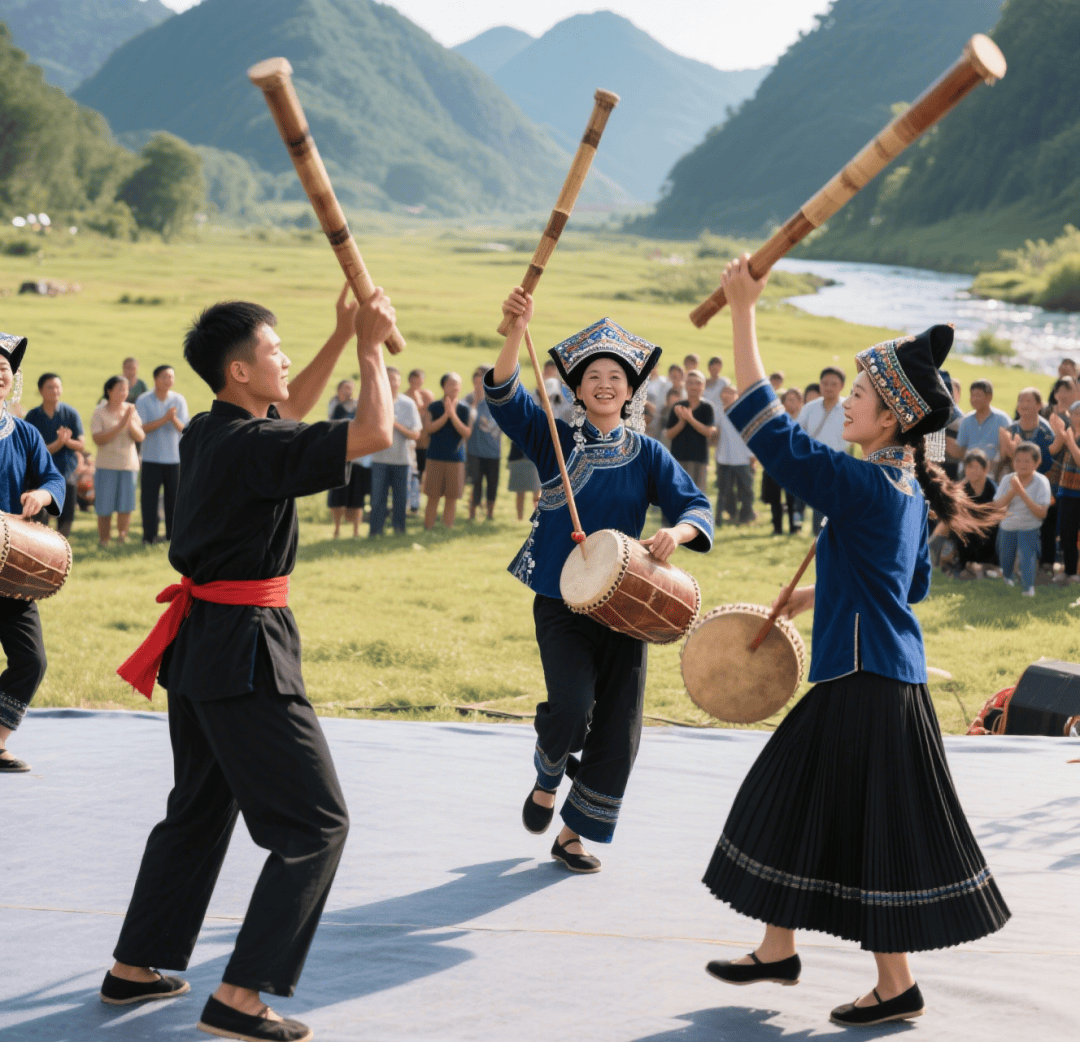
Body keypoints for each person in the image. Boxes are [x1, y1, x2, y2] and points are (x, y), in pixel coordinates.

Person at [702, 255, 1009, 1027]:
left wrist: (744, 310)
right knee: (821, 807)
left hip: (866, 679)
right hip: (875, 675)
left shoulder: (872, 485)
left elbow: (774, 438)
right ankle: (784, 950)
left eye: (861, 396)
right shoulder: (905, 489)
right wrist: (818, 593)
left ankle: (879, 980)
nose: (847, 404)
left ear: (893, 418)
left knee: (828, 812)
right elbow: (907, 588)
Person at [105, 285, 396, 1042]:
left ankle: (135, 967)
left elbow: (285, 411)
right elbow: (374, 431)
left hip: (199, 646)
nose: (286, 358)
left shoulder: (208, 431)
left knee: (200, 807)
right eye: (274, 349)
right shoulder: (254, 445)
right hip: (245, 647)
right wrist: (370, 343)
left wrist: (338, 335)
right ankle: (239, 999)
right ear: (240, 372)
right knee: (316, 824)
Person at [491, 289, 713, 873]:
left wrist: (677, 536)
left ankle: (571, 834)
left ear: (631, 388)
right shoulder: (555, 442)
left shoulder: (648, 454)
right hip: (562, 600)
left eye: (616, 375)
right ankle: (546, 777)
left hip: (630, 604)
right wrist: (517, 329)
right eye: (594, 375)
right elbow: (505, 396)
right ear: (577, 387)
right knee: (571, 709)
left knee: (619, 727)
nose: (606, 383)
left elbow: (696, 507)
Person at [0, 333, 66, 773]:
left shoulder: (23, 433)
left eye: (2, 370)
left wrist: (42, 496)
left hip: (11, 568)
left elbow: (53, 478)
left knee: (31, 659)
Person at [998, 388, 1059, 569]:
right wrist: (1009, 449)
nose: (1023, 405)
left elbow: (1045, 463)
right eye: (1021, 401)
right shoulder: (1011, 428)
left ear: (1039, 405)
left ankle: (1046, 563)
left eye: (1028, 401)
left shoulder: (1046, 431)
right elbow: (1004, 457)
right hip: (1016, 481)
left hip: (1044, 482)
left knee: (1048, 517)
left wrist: (1014, 451)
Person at [24, 371, 84, 538]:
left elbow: (80, 444)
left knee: (66, 516)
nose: (55, 390)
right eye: (50, 387)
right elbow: (32, 450)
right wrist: (58, 443)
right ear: (41, 390)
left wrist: (66, 442)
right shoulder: (33, 417)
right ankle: (41, 548)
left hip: (66, 473)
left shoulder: (70, 414)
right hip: (40, 475)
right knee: (39, 516)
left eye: (58, 387)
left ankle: (61, 550)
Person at [135, 365, 188, 545]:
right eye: (165, 377)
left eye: (171, 377)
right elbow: (141, 428)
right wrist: (164, 419)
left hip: (174, 459)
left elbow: (185, 429)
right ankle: (149, 536)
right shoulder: (143, 400)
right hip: (151, 458)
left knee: (174, 500)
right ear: (156, 378)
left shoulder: (178, 400)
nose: (169, 381)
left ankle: (173, 536)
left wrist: (173, 419)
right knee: (149, 499)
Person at [91, 376, 144, 547]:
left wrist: (128, 421)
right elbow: (98, 439)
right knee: (104, 506)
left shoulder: (131, 409)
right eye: (120, 389)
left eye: (126, 389)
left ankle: (122, 537)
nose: (124, 393)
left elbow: (140, 436)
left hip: (128, 465)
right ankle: (104, 539)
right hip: (106, 465)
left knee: (125, 505)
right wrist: (121, 423)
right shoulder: (100, 411)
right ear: (109, 391)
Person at [369, 366, 421, 536]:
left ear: (400, 382)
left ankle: (399, 530)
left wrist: (395, 424)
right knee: (377, 499)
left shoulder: (409, 404)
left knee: (401, 499)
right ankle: (375, 532)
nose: (392, 382)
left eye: (395, 379)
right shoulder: (374, 400)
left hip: (402, 460)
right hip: (379, 459)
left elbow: (415, 434)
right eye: (389, 378)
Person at [994, 441, 1051, 596]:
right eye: (1018, 460)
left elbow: (1042, 513)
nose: (1021, 465)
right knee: (1005, 557)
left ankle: (1028, 588)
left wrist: (1021, 492)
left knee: (1028, 558)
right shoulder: (1007, 479)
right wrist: (1013, 492)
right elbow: (997, 506)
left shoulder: (1041, 482)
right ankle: (1007, 580)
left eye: (1027, 461)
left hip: (1030, 526)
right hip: (1007, 525)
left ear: (1037, 462)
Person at [796, 365, 848, 534]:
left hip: (839, 463)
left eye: (833, 384)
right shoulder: (809, 408)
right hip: (814, 462)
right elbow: (798, 433)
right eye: (825, 383)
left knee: (834, 503)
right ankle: (818, 537)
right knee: (819, 502)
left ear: (841, 386)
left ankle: (828, 537)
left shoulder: (849, 408)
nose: (828, 387)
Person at [422, 372, 472, 530]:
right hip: (435, 457)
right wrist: (446, 415)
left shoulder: (464, 409)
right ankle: (428, 528)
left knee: (452, 497)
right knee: (433, 496)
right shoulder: (434, 406)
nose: (455, 387)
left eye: (458, 383)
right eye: (451, 383)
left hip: (456, 458)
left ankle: (447, 528)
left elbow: (466, 432)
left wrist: (453, 415)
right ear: (443, 386)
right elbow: (428, 429)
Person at [326, 380, 366, 538]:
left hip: (356, 457)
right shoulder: (334, 404)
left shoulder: (358, 406)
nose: (349, 391)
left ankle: (356, 530)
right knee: (337, 496)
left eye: (351, 388)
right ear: (339, 389)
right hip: (338, 456)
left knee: (356, 496)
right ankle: (337, 529)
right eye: (346, 388)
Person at [665, 369, 716, 493]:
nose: (694, 386)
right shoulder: (678, 407)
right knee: (677, 494)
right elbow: (668, 435)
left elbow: (709, 432)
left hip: (699, 460)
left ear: (703, 386)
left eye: (698, 383)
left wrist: (690, 418)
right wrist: (682, 422)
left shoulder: (707, 408)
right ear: (685, 385)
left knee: (696, 496)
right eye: (690, 383)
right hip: (678, 458)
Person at [949, 379, 1010, 477]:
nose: (975, 399)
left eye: (978, 396)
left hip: (993, 471)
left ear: (989, 397)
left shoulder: (1002, 419)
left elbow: (1005, 452)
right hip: (969, 469)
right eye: (972, 396)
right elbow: (961, 449)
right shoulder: (966, 419)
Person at [953, 450, 999, 578]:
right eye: (969, 467)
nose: (972, 471)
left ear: (985, 469)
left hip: (988, 525)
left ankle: (987, 565)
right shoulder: (962, 488)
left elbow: (996, 512)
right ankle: (964, 564)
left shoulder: (992, 488)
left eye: (976, 467)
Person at [714, 383, 756, 525]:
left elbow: (750, 435)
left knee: (746, 491)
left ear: (737, 396)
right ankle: (727, 516)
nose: (727, 395)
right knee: (725, 491)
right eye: (725, 392)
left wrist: (752, 456)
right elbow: (716, 433)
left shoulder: (744, 411)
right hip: (724, 459)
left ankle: (746, 517)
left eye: (731, 393)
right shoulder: (718, 411)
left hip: (743, 459)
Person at [466, 365, 502, 521]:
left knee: (492, 484)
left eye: (481, 381)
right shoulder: (468, 400)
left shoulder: (495, 401)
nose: (478, 385)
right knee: (475, 483)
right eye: (476, 381)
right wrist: (473, 407)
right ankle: (472, 513)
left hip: (493, 451)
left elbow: (497, 425)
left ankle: (490, 514)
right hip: (474, 451)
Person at [1051, 401, 1080, 583]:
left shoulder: (1070, 437)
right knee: (1066, 533)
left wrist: (1069, 441)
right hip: (1066, 491)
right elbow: (1054, 421)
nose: (1078, 418)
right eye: (1075, 414)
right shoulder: (1069, 432)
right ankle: (1069, 572)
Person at [405, 368, 434, 512]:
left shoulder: (427, 395)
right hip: (409, 443)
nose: (416, 382)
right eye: (414, 379)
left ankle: (416, 503)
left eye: (419, 379)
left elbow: (430, 412)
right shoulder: (404, 396)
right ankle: (409, 502)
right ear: (409, 380)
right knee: (410, 473)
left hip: (424, 444)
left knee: (422, 473)